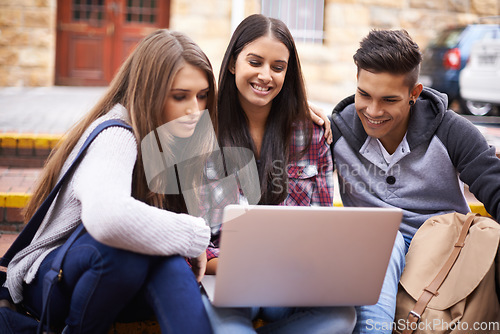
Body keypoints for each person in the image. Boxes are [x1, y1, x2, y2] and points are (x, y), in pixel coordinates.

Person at [2, 29, 217, 333]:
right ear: (148, 92)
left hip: (116, 277)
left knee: (165, 258)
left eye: (203, 95)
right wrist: (194, 235)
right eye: (180, 96)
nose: (195, 110)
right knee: (129, 248)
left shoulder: (173, 139)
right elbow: (109, 218)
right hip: (49, 280)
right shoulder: (116, 134)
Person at [329, 29, 500, 333]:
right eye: (364, 94)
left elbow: (495, 188)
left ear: (415, 94)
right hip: (369, 256)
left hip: (443, 262)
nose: (373, 110)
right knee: (384, 240)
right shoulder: (336, 134)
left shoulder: (452, 132)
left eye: (389, 100)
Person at [201, 14, 356, 334]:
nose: (265, 76)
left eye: (277, 67)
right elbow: (194, 240)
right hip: (226, 279)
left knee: (342, 318)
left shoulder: (311, 133)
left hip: (289, 283)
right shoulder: (201, 132)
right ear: (232, 64)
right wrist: (246, 266)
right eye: (254, 62)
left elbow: (321, 225)